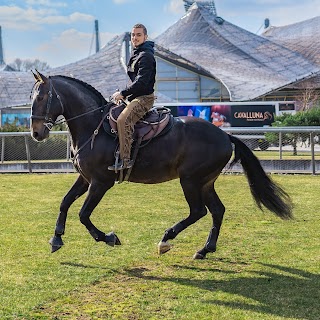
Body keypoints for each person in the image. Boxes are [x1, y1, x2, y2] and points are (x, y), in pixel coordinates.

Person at [108, 23, 156, 171]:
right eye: (133, 35)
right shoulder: (137, 53)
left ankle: (125, 160)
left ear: (145, 37)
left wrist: (123, 93)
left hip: (144, 99)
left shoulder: (146, 56)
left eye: (138, 35)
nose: (135, 38)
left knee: (123, 120)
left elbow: (141, 83)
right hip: (135, 97)